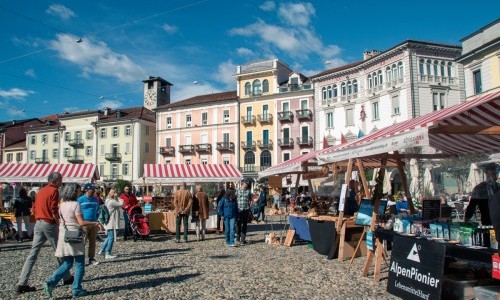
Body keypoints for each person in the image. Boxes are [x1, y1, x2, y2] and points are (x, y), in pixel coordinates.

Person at [17, 172, 73, 294]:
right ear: (55, 181)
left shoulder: (41, 191)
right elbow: (53, 209)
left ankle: (22, 282)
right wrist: (59, 223)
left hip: (39, 223)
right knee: (59, 251)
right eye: (60, 181)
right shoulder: (54, 191)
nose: (61, 183)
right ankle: (66, 276)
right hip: (49, 223)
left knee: (33, 253)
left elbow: (35, 208)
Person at [43, 183, 100, 298]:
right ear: (74, 192)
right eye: (78, 190)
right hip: (75, 234)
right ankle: (77, 288)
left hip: (65, 234)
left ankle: (51, 282)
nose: (80, 192)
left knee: (67, 262)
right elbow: (82, 222)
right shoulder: (76, 204)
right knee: (79, 263)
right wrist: (96, 223)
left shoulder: (62, 204)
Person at [77, 183, 100, 266]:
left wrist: (97, 218)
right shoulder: (80, 200)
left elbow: (97, 209)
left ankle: (91, 258)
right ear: (87, 190)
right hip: (84, 223)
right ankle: (80, 259)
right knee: (83, 242)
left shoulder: (95, 199)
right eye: (92, 189)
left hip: (93, 222)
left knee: (92, 242)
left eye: (94, 189)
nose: (94, 190)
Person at [98, 188, 123, 259]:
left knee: (109, 237)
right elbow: (121, 203)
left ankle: (102, 250)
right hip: (111, 222)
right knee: (111, 237)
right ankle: (108, 253)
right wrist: (119, 198)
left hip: (108, 221)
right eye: (115, 193)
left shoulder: (107, 200)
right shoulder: (112, 202)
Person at [236, 179, 252, 244]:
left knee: (245, 225)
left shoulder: (248, 191)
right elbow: (234, 199)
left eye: (247, 183)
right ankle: (238, 237)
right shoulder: (237, 191)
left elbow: (251, 199)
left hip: (246, 210)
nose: (247, 184)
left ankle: (243, 239)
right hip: (239, 210)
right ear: (242, 183)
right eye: (246, 183)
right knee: (238, 224)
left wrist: (250, 206)